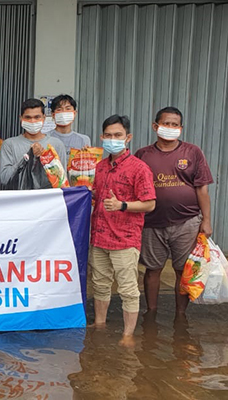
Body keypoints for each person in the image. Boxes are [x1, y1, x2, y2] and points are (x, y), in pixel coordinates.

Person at [135, 107, 213, 314]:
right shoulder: (143, 155)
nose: (170, 127)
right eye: (166, 123)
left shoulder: (193, 152)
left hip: (186, 222)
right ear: (155, 126)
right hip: (152, 222)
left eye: (174, 124)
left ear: (181, 128)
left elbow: (202, 189)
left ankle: (180, 314)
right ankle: (151, 312)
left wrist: (206, 220)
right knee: (152, 269)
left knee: (183, 270)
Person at [89, 114, 156, 346]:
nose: (113, 139)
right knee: (100, 283)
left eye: (118, 135)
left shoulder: (139, 168)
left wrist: (122, 205)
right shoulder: (100, 167)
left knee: (128, 289)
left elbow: (150, 203)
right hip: (99, 237)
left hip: (125, 239)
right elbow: (97, 196)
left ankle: (128, 335)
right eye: (108, 135)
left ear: (128, 138)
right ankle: (99, 323)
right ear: (102, 137)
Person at [0, 98, 68, 188]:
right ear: (21, 118)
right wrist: (28, 157)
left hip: (47, 196)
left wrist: (45, 158)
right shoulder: (9, 144)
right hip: (19, 196)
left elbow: (61, 181)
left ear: (44, 118)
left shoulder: (56, 144)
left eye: (37, 117)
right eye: (28, 117)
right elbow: (5, 179)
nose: (32, 121)